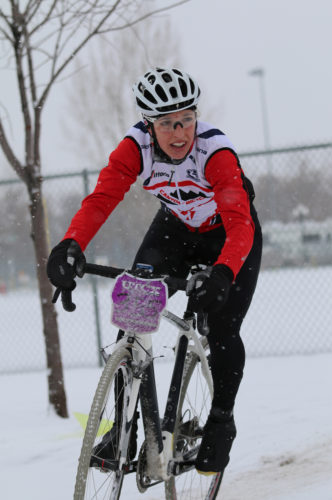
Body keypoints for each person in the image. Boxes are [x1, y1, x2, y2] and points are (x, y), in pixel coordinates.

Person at [47, 67, 262, 475]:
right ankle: (123, 425)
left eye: (186, 118)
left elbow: (239, 222)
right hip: (175, 230)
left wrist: (223, 274)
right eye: (166, 123)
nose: (179, 132)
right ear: (149, 124)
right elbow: (102, 198)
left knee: (223, 328)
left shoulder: (215, 151)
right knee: (134, 305)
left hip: (229, 236)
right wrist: (70, 244)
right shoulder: (135, 148)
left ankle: (221, 420)